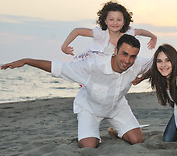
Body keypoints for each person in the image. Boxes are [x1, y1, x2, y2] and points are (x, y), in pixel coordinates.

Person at [1, 34, 151, 148]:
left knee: (137, 141)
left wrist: (143, 77)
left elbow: (160, 63)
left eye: (132, 56)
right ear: (116, 51)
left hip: (117, 108)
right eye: (124, 54)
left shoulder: (136, 64)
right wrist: (27, 61)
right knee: (89, 146)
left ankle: (114, 131)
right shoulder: (92, 66)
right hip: (90, 108)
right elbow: (59, 68)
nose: (128, 60)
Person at [61, 0, 157, 60]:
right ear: (105, 21)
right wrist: (64, 47)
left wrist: (153, 37)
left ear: (124, 21)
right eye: (111, 19)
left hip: (114, 65)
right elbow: (77, 31)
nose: (115, 23)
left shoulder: (128, 33)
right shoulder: (100, 33)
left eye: (118, 20)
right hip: (95, 62)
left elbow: (142, 31)